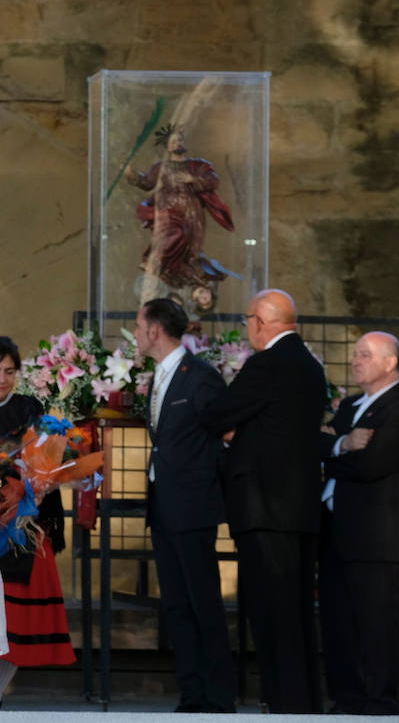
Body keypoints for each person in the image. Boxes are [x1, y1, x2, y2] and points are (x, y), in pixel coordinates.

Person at [200, 289, 327, 713]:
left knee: (273, 614)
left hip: (265, 507)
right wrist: (248, 431)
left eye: (248, 320)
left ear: (261, 322)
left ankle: (285, 702)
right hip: (299, 508)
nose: (247, 328)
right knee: (296, 613)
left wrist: (236, 432)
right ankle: (301, 700)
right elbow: (282, 428)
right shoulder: (310, 365)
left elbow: (218, 414)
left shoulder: (268, 364)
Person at [133, 300, 234, 713]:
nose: (136, 334)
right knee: (176, 603)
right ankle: (192, 692)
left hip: (193, 508)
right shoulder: (161, 374)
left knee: (202, 601)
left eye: (139, 326)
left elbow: (224, 438)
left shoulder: (201, 377)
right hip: (164, 507)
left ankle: (219, 695)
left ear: (156, 329)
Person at [0, 335, 75, 704]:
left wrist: (38, 486)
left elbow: (47, 460)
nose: (2, 378)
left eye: (10, 371)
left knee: (18, 622)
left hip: (22, 528)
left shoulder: (31, 408)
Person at [318, 331, 399, 714]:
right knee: (338, 617)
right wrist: (342, 444)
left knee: (375, 621)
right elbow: (319, 443)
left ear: (390, 363)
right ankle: (347, 696)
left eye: (364, 355)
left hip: (373, 532)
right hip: (334, 526)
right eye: (356, 354)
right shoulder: (351, 405)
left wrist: (333, 450)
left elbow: (373, 465)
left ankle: (379, 700)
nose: (355, 361)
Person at [125, 127, 235, 307]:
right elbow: (146, 182)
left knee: (190, 251)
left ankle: (182, 286)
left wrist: (193, 180)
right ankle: (154, 263)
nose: (178, 144)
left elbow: (214, 180)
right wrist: (131, 174)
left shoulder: (198, 165)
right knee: (175, 235)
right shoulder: (161, 167)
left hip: (192, 213)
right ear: (168, 147)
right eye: (174, 141)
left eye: (180, 140)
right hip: (167, 212)